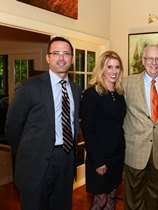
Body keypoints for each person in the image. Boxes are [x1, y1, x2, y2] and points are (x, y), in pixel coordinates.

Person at [5, 36, 82, 210]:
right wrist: (29, 154)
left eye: (66, 54)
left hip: (66, 161)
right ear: (48, 58)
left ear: (71, 58)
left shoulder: (76, 89)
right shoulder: (28, 87)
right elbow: (12, 129)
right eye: (56, 53)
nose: (61, 58)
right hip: (36, 164)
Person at [122, 45, 158, 210]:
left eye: (157, 59)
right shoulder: (126, 83)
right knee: (133, 200)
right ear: (143, 61)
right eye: (150, 59)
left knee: (154, 197)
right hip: (135, 150)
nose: (154, 62)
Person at [81, 51, 126, 210]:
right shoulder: (91, 94)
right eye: (109, 67)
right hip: (99, 158)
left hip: (117, 156)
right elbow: (87, 129)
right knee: (99, 201)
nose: (114, 71)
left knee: (112, 197)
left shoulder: (120, 94)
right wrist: (98, 161)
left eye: (117, 67)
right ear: (102, 69)